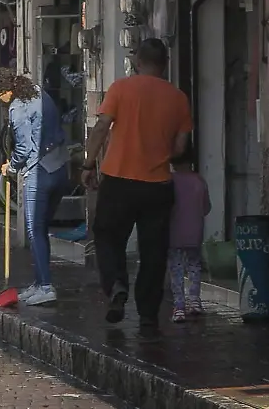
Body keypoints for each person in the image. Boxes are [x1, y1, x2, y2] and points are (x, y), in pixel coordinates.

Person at [82, 39, 193, 328]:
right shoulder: (178, 98)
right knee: (154, 250)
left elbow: (102, 127)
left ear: (137, 61)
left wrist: (87, 163)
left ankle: (117, 285)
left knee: (107, 236)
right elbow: (181, 147)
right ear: (165, 64)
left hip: (119, 180)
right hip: (158, 184)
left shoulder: (121, 88)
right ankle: (147, 314)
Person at [0, 67, 71, 306]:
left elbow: (24, 149)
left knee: (34, 230)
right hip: (61, 166)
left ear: (1, 92)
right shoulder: (37, 92)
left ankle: (45, 287)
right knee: (41, 230)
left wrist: (10, 167)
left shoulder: (17, 108)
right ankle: (39, 281)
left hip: (39, 173)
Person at [168, 143, 210, 323]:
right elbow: (206, 208)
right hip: (195, 232)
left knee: (176, 269)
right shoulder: (199, 181)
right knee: (194, 265)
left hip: (174, 233)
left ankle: (179, 307)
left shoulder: (169, 181)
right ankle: (195, 301)